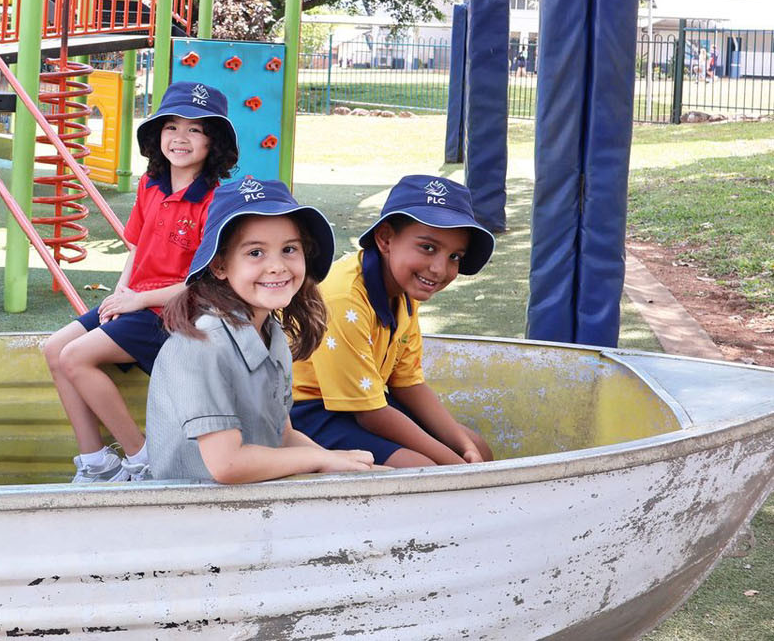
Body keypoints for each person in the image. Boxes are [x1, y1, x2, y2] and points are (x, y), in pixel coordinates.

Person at [43, 81, 238, 483]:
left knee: (75, 357)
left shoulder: (214, 201)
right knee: (54, 348)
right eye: (171, 127)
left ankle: (143, 457)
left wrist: (137, 301)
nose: (180, 137)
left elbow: (204, 282)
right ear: (157, 135)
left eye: (195, 129)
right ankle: (96, 462)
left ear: (213, 142)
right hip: (138, 298)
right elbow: (137, 248)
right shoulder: (150, 185)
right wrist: (121, 293)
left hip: (175, 310)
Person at [143, 176, 376, 482]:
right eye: (255, 253)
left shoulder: (270, 332)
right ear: (220, 266)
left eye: (289, 249)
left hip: (258, 494)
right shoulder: (204, 345)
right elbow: (227, 465)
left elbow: (281, 436)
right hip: (195, 504)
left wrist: (336, 461)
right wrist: (319, 458)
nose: (277, 266)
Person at [290, 174, 496, 468]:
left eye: (454, 256)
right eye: (428, 247)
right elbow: (370, 415)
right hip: (308, 412)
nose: (439, 269)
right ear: (385, 239)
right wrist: (455, 465)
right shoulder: (344, 299)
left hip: (367, 402)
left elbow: (407, 383)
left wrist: (463, 446)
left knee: (478, 448)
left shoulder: (406, 289)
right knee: (420, 468)